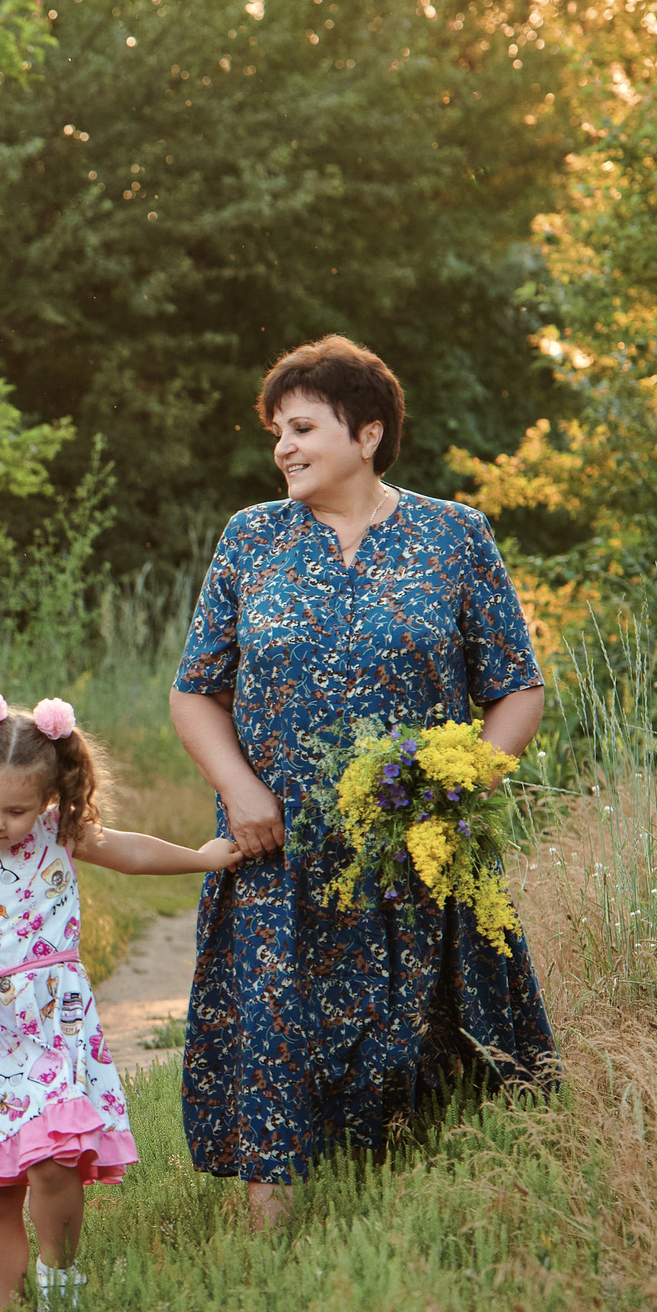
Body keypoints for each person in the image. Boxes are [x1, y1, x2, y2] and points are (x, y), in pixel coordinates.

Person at [167, 336, 555, 1230]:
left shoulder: (454, 536)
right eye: (277, 433)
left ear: (368, 432)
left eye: (303, 427)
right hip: (279, 841)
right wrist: (242, 789)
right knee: (275, 1017)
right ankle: (271, 1223)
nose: (284, 448)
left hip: (410, 841)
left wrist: (457, 788)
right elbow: (195, 693)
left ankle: (421, 1210)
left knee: (413, 1028)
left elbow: (516, 688)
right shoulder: (252, 539)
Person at [0, 690, 236, 1312]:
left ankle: (62, 1280)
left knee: (56, 1158)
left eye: (17, 809)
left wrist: (200, 859)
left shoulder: (60, 836)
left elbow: (132, 852)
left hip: (51, 1026)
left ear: (48, 802)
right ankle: (5, 1311)